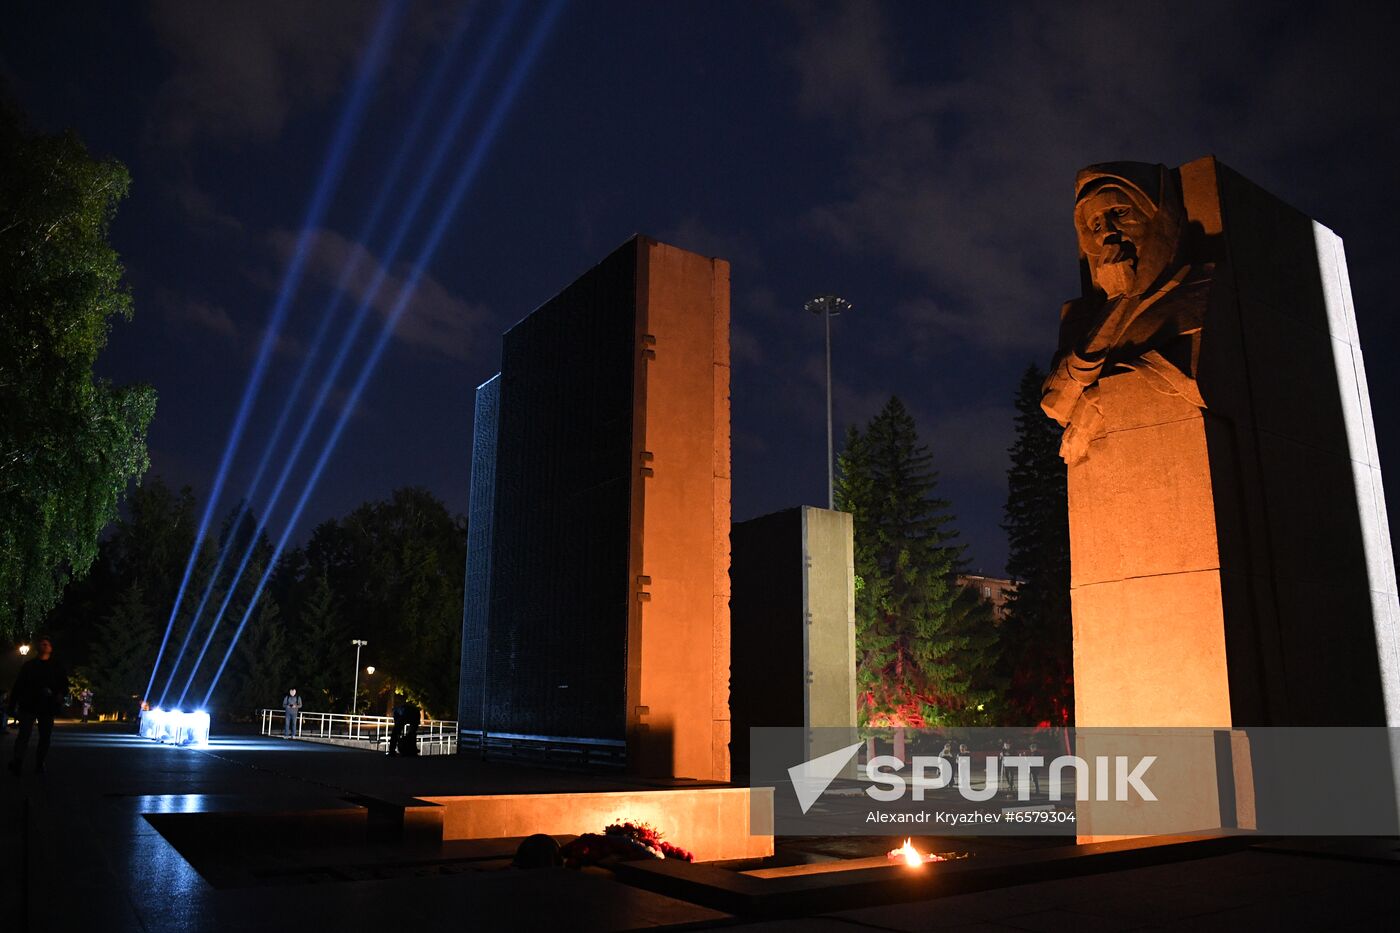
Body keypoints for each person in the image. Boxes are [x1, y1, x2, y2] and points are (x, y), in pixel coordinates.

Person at [7, 635, 67, 776]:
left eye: (47, 644)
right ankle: (18, 761)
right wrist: (12, 704)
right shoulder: (29, 666)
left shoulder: (56, 666)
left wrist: (59, 694)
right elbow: (18, 686)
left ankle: (39, 763)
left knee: (45, 736)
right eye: (42, 644)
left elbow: (64, 685)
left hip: (47, 706)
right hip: (29, 705)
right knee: (24, 735)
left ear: (51, 648)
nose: (44, 646)